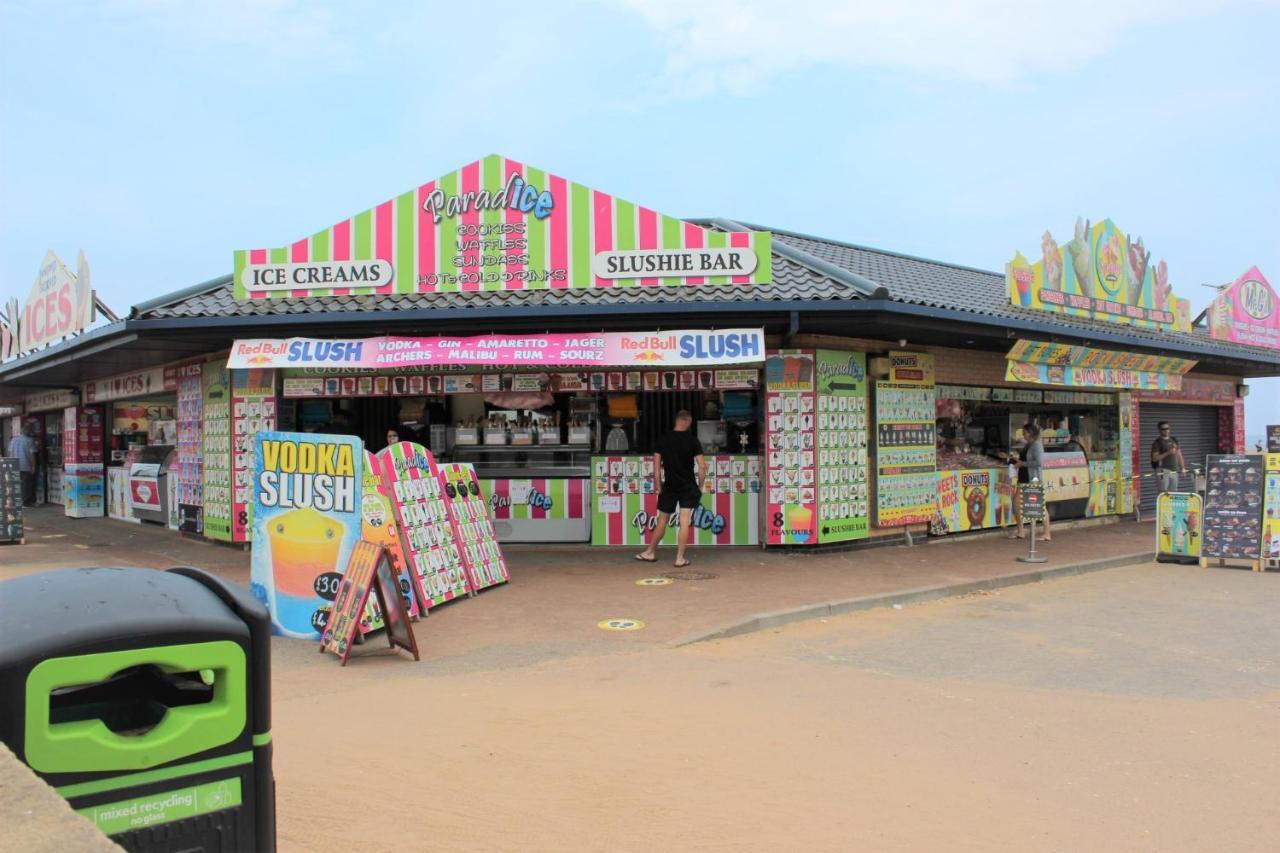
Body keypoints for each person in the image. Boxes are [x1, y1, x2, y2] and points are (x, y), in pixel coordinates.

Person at [636, 410, 706, 568]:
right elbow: (702, 466)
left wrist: (658, 483)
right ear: (687, 421)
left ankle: (650, 552)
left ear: (676, 421)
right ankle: (679, 558)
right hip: (688, 485)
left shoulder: (663, 439)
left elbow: (656, 465)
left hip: (670, 485)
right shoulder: (693, 440)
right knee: (684, 520)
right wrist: (700, 485)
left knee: (662, 520)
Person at [1008, 422, 1051, 541]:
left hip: (1033, 479)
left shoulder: (1036, 445)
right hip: (1023, 478)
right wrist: (1015, 460)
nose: (1023, 435)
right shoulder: (1029, 444)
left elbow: (1038, 462)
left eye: (1024, 433)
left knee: (1040, 505)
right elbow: (1025, 459)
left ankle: (1047, 533)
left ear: (1031, 433)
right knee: (1016, 504)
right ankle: (1021, 531)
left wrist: (1023, 464)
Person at [1150, 421, 1187, 493]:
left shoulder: (1174, 440)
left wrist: (1183, 468)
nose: (1166, 430)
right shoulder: (1157, 442)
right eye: (1163, 429)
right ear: (1159, 430)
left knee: (1173, 493)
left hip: (1174, 471)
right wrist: (1168, 452)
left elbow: (1179, 454)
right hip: (1163, 470)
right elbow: (1154, 458)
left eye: (1167, 428)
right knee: (1163, 493)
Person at [6, 425, 37, 506]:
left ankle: (17, 502)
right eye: (30, 431)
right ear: (28, 432)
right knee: (26, 485)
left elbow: (9, 453)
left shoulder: (13, 440)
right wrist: (33, 466)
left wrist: (10, 463)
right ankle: (26, 503)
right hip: (26, 466)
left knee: (17, 484)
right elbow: (32, 455)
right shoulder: (30, 440)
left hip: (14, 465)